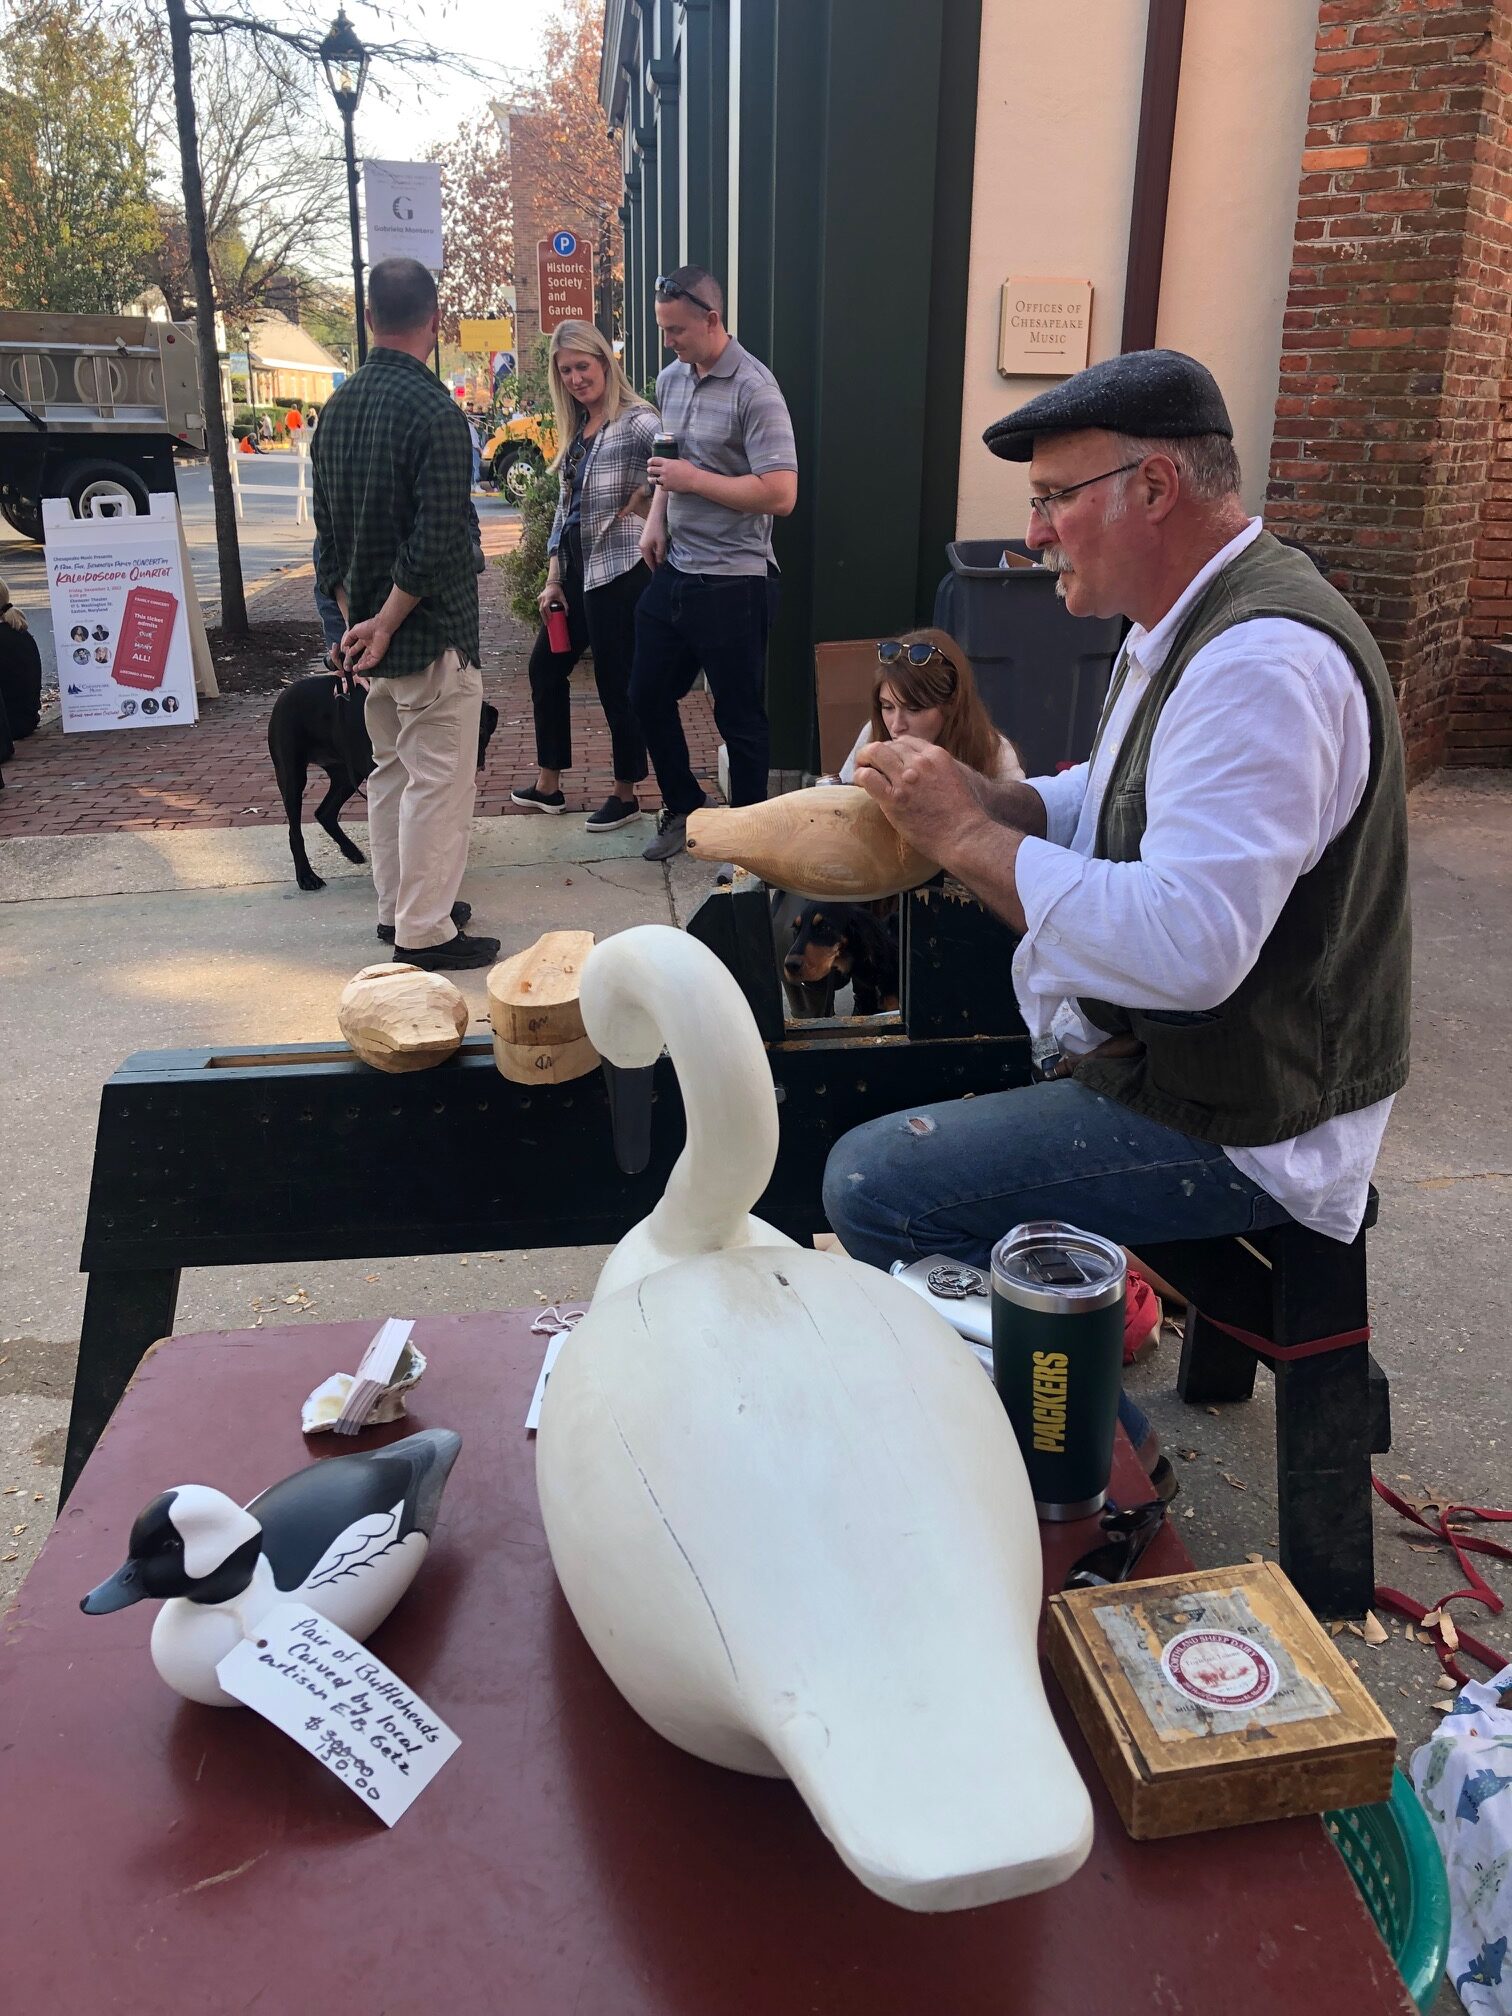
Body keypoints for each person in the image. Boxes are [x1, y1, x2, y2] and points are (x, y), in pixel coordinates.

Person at [821, 349, 1409, 1486]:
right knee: (917, 1113)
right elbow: (1126, 788)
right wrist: (1004, 799)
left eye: (1053, 499)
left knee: (872, 1185)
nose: (1034, 532)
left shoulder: (1260, 662)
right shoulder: (1185, 619)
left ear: (1154, 489)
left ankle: (1106, 1473)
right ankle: (1063, 1418)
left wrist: (970, 841)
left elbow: (1188, 946)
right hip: (1217, 1071)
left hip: (1259, 1120)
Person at [312, 256, 497, 971]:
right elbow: (435, 539)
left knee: (390, 774)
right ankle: (425, 930)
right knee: (437, 787)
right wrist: (385, 622)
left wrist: (355, 621)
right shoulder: (436, 413)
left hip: (369, 640)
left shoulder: (337, 411)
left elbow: (327, 536)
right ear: (435, 319)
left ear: (367, 318)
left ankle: (398, 911)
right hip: (428, 635)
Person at [630, 265, 799, 862]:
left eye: (676, 329)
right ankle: (685, 807)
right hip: (677, 568)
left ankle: (751, 843)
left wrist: (692, 482)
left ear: (712, 318)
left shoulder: (756, 388)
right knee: (645, 692)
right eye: (662, 329)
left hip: (735, 580)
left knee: (740, 719)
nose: (668, 341)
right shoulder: (673, 378)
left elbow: (781, 493)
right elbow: (669, 456)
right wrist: (656, 518)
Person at [509, 321, 658, 832]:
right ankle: (549, 785)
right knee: (545, 668)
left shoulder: (639, 422)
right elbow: (563, 508)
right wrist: (553, 577)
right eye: (565, 370)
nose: (575, 378)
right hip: (575, 573)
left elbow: (676, 482)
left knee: (618, 682)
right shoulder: (578, 429)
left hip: (620, 571)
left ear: (605, 363)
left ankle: (626, 792)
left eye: (582, 366)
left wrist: (639, 506)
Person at [833, 630, 1024, 786]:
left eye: (914, 709)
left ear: (951, 704)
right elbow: (843, 805)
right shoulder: (873, 732)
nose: (897, 726)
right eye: (887, 707)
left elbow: (1020, 823)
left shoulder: (994, 752)